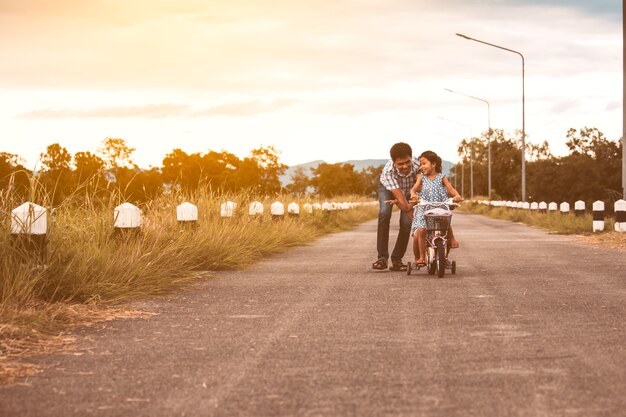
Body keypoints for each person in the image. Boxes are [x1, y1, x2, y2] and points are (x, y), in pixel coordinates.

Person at [410, 150, 462, 267]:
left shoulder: (441, 177)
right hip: (424, 209)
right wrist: (413, 195)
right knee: (422, 230)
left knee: (445, 226)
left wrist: (456, 195)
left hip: (440, 208)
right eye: (420, 164)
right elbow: (413, 189)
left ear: (433, 164)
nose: (421, 167)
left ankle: (445, 256)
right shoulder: (422, 177)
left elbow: (450, 188)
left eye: (424, 163)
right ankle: (421, 257)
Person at [372, 142, 419, 271]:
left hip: (410, 190)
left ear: (411, 157)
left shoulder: (419, 164)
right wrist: (410, 213)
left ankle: (397, 259)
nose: (405, 166)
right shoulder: (388, 172)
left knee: (406, 223)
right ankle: (382, 258)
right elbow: (399, 196)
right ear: (394, 162)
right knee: (384, 213)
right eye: (400, 164)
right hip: (389, 190)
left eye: (407, 162)